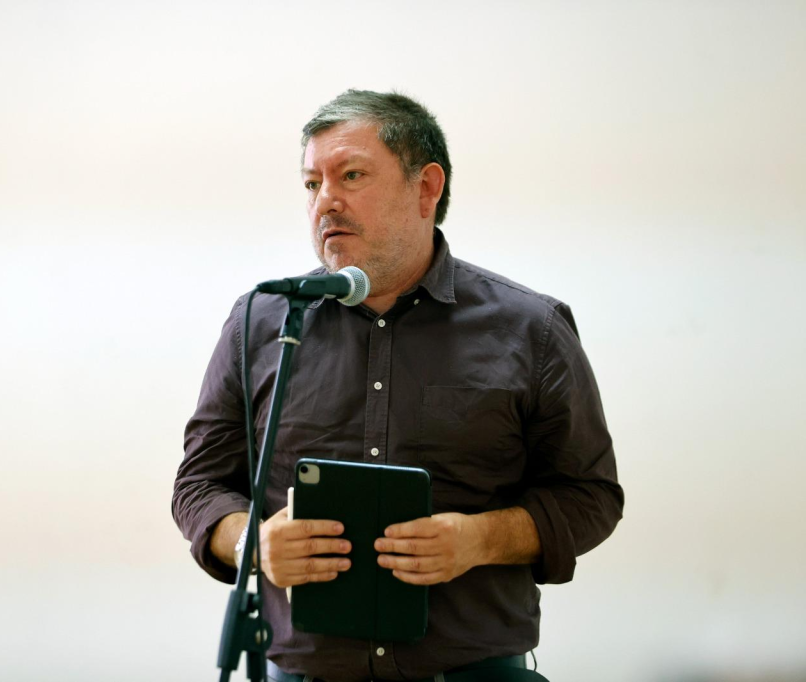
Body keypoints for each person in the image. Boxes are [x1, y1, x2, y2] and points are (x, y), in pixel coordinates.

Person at [173, 90, 623, 682]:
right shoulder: (262, 323)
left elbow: (590, 497)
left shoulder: (530, 330)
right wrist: (250, 543)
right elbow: (200, 484)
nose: (326, 200)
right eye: (312, 183)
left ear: (426, 188)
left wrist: (480, 539)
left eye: (351, 175)